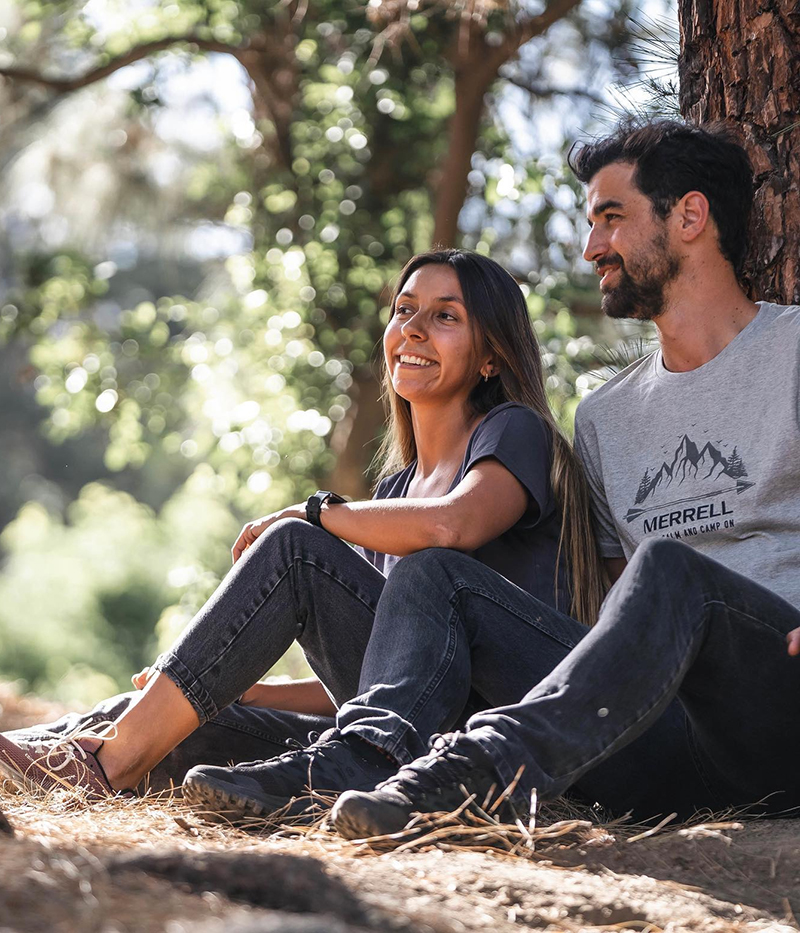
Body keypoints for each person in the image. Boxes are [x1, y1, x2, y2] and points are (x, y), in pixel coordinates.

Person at [0, 249, 603, 815]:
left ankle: (110, 765)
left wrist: (314, 513)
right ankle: (35, 752)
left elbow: (455, 523)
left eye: (445, 316)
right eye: (405, 310)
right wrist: (247, 690)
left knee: (296, 550)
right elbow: (382, 675)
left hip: (482, 739)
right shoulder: (394, 493)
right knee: (180, 722)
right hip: (393, 731)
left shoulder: (513, 431)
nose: (413, 328)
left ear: (491, 356)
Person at [328, 119, 800, 841]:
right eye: (590, 225)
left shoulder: (792, 349)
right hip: (654, 738)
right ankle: (369, 762)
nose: (592, 249)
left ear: (690, 217)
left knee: (673, 571)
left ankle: (476, 772)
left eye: (612, 218)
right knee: (437, 575)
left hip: (774, 711)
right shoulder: (607, 416)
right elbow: (612, 604)